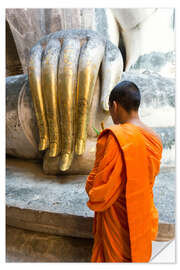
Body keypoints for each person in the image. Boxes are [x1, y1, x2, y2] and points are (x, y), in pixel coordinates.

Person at [85, 80, 163, 263]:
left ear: (114, 105)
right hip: (142, 214)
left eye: (111, 109)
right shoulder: (155, 139)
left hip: (118, 222)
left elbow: (97, 189)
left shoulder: (115, 138)